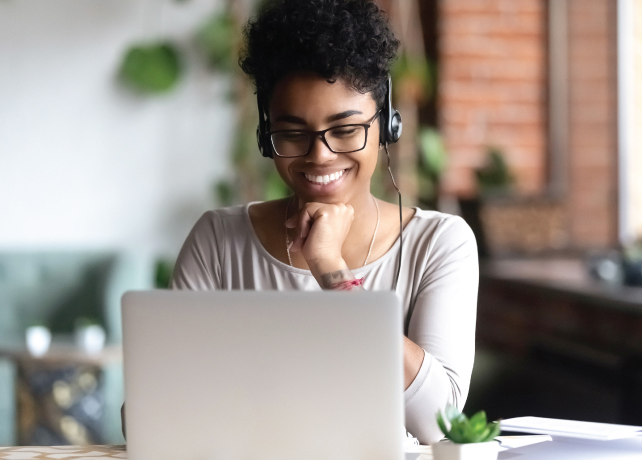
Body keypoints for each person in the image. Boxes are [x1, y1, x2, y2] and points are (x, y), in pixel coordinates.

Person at [169, 0, 478, 444]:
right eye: (293, 133)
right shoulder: (219, 240)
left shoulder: (439, 243)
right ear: (265, 134)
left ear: (386, 124)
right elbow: (151, 413)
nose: (320, 155)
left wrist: (332, 271)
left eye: (346, 129)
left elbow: (438, 422)